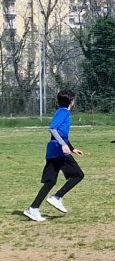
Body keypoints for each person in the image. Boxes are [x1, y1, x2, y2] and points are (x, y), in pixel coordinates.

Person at [23, 90, 85, 222]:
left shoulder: (60, 112)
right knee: (78, 175)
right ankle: (57, 197)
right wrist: (63, 145)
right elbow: (52, 129)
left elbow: (61, 134)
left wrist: (72, 148)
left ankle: (33, 209)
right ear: (71, 101)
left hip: (52, 151)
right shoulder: (64, 113)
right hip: (58, 151)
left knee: (50, 181)